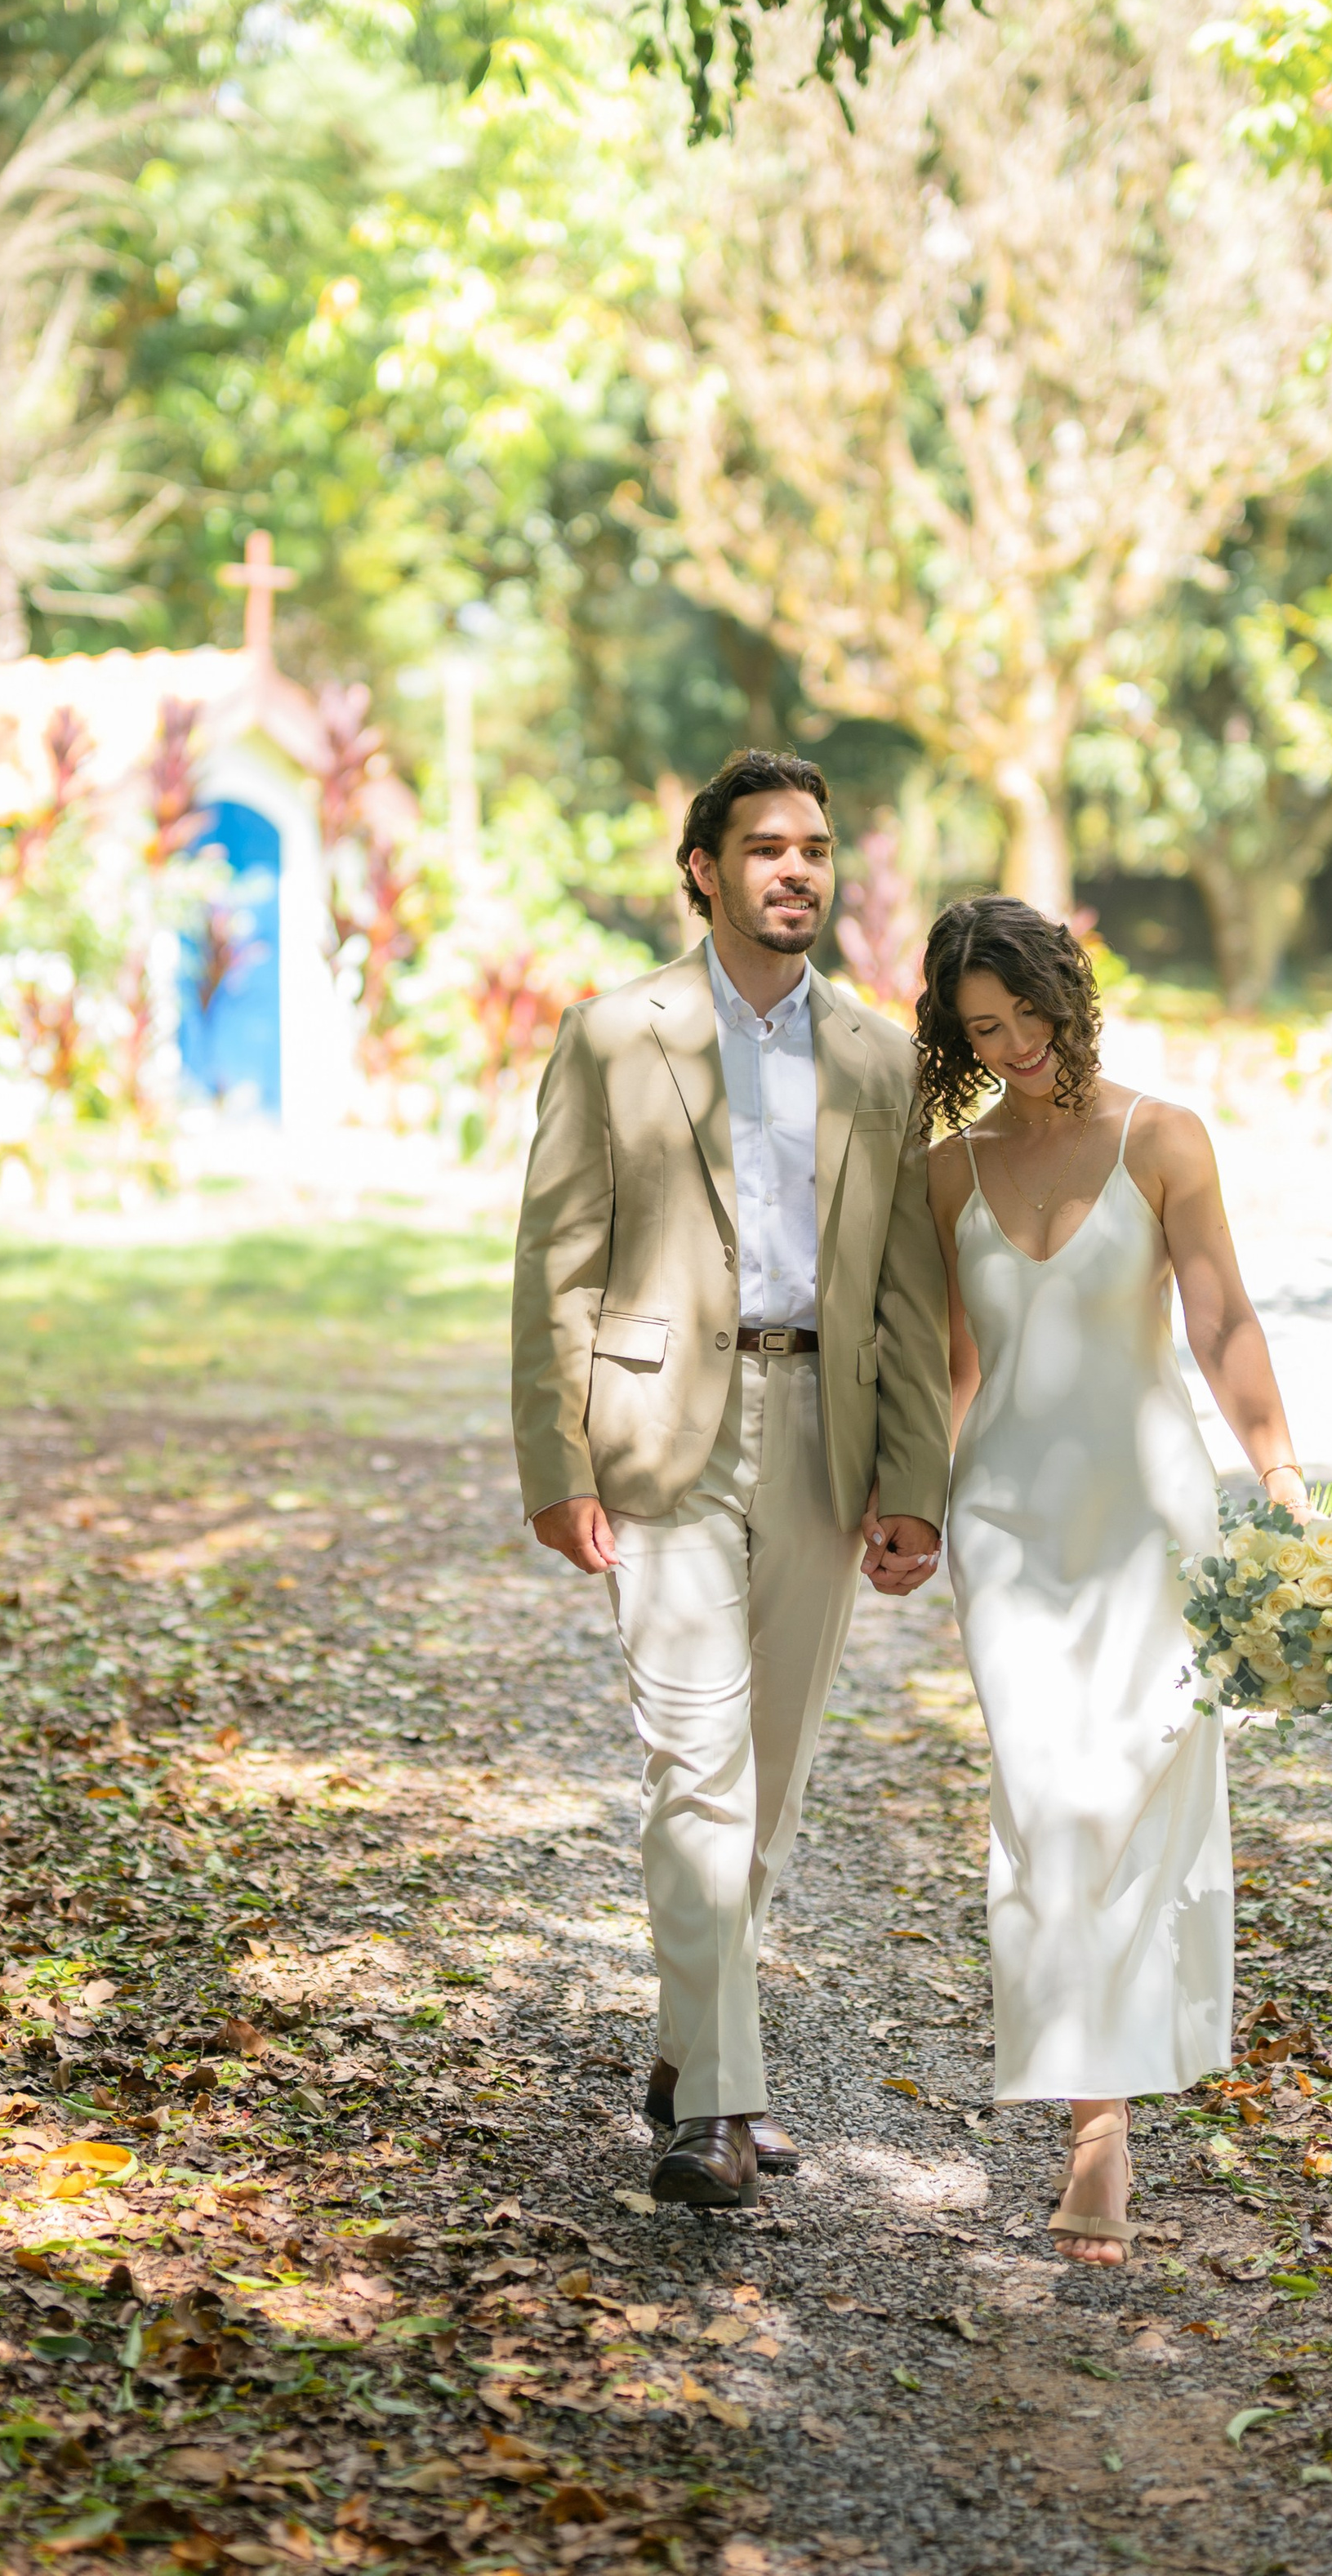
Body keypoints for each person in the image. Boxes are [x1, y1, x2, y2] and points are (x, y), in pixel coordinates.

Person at [510, 751, 951, 2208]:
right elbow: (557, 1262)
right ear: (703, 867)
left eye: (815, 848)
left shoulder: (885, 1062)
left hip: (830, 1427)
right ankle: (721, 2111)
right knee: (694, 1761)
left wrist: (915, 1482)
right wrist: (554, 1458)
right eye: (764, 846)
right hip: (663, 1437)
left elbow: (907, 1288)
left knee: (771, 1783)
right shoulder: (611, 1035)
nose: (795, 871)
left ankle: (690, 2038)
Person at [917, 894, 1310, 2264]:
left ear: (1066, 998)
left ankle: (1107, 2111)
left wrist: (1284, 1482)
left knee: (1133, 1792)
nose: (1014, 1045)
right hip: (1009, 1529)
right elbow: (958, 1370)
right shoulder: (951, 1171)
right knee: (1049, 1797)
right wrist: (915, 1506)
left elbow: (1220, 1316)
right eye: (983, 1029)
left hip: (1154, 1524)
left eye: (1027, 1015)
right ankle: (1096, 2127)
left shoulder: (1162, 1139)